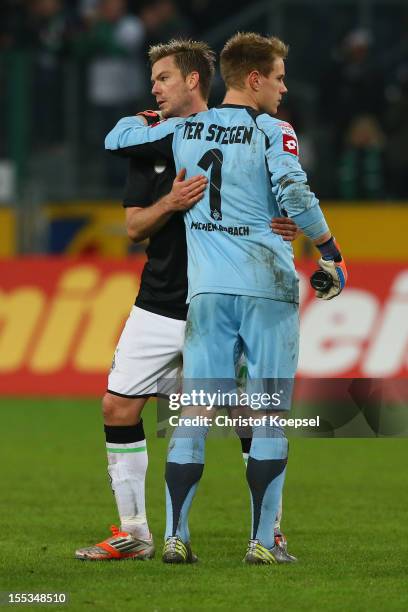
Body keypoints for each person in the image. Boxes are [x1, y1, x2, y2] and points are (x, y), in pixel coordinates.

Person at [106, 32, 348, 565]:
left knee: (192, 414)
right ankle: (263, 542)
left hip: (207, 294)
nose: (284, 89)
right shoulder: (275, 130)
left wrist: (145, 121)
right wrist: (329, 249)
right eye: (280, 78)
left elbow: (116, 139)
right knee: (267, 415)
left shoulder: (186, 129)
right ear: (255, 79)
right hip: (267, 289)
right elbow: (295, 191)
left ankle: (175, 536)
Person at [75, 39, 298, 561]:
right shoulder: (150, 140)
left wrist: (280, 227)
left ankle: (272, 532)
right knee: (117, 405)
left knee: (251, 413)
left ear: (194, 80)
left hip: (218, 302)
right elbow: (133, 227)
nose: (154, 87)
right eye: (154, 79)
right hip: (158, 302)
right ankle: (135, 533)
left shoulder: (245, 134)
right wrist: (171, 202)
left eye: (164, 78)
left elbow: (280, 191)